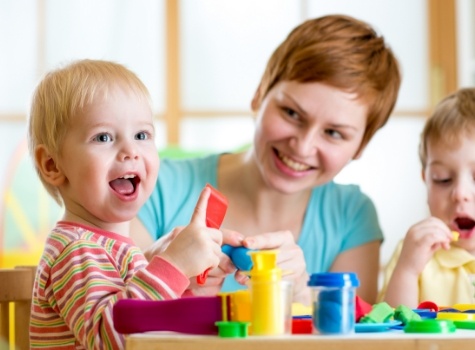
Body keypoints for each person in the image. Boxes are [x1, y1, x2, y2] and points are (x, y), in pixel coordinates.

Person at [132, 14, 401, 305]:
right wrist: (161, 268)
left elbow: (355, 338)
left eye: (334, 133)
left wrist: (301, 295)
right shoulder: (155, 186)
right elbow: (106, 319)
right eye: (292, 113)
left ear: (361, 145)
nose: (303, 145)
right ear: (259, 94)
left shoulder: (352, 215)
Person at [28, 59, 223, 349]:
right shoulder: (77, 250)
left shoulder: (118, 250)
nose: (131, 151)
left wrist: (189, 286)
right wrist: (174, 267)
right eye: (103, 137)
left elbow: (152, 324)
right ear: (53, 164)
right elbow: (112, 337)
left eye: (142, 135)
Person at [381, 88, 475, 308]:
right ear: (426, 181)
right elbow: (390, 335)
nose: (460, 194)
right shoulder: (414, 253)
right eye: (442, 179)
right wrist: (407, 272)